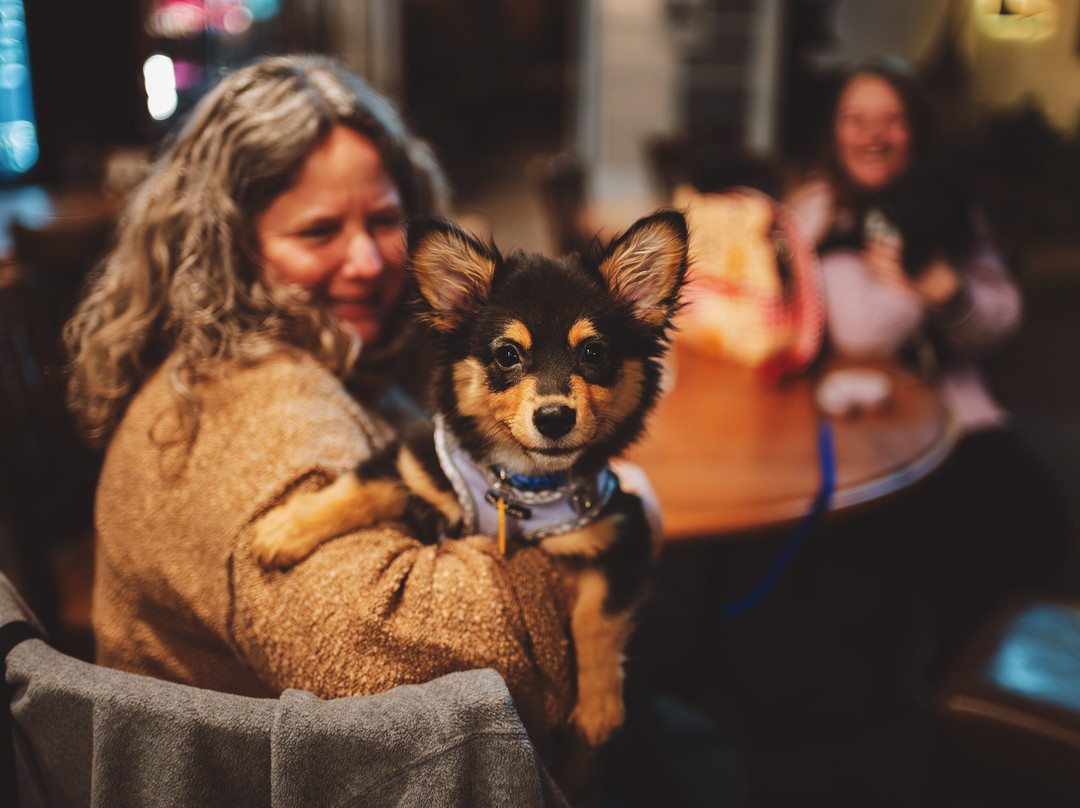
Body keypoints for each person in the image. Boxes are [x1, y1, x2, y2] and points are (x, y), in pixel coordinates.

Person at [62, 53, 591, 745]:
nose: (368, 262)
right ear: (226, 250)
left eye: (384, 220)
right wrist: (599, 533)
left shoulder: (338, 357)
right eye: (317, 231)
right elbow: (366, 653)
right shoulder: (259, 407)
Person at [785, 56, 1071, 682]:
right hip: (846, 416)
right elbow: (863, 334)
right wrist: (916, 280)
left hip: (952, 404)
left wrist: (952, 295)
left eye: (892, 119)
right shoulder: (815, 212)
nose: (873, 135)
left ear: (916, 128)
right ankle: (949, 661)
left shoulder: (949, 202)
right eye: (856, 119)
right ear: (834, 131)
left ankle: (974, 652)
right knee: (945, 529)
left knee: (1038, 520)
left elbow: (1003, 317)